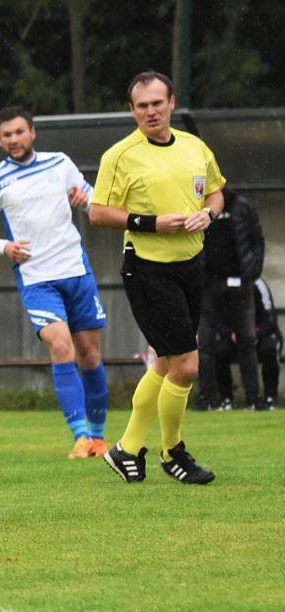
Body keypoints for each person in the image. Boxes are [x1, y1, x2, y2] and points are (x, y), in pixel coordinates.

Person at [89, 70, 225, 485]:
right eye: (141, 105)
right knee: (186, 365)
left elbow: (216, 192)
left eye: (157, 103)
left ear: (171, 103)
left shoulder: (195, 147)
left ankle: (126, 449)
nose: (150, 111)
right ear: (131, 110)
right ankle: (173, 453)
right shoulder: (119, 155)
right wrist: (149, 222)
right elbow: (97, 212)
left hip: (191, 264)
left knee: (167, 363)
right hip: (147, 268)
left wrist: (210, 213)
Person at [0, 106, 110, 460]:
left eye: (19, 132)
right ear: (0, 141)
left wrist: (83, 199)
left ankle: (98, 437)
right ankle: (79, 438)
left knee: (90, 355)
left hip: (76, 271)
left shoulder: (60, 163)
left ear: (32, 132)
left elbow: (92, 198)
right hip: (36, 279)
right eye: (6, 135)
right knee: (62, 347)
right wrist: (5, 247)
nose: (14, 139)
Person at [195, 187, 265, 411]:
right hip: (209, 285)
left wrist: (252, 272)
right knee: (205, 343)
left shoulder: (242, 206)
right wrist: (200, 274)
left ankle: (253, 399)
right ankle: (206, 399)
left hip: (241, 283)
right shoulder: (200, 209)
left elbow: (257, 239)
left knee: (247, 341)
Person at [213, 277, 281, 411]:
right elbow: (216, 320)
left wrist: (256, 333)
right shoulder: (221, 286)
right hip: (234, 337)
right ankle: (227, 399)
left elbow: (271, 318)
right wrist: (230, 333)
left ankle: (270, 397)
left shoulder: (258, 284)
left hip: (260, 335)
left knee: (269, 349)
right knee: (220, 351)